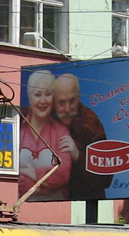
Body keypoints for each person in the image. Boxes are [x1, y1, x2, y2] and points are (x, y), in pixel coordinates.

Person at [52, 72, 112, 200]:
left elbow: (106, 178)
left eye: (72, 101)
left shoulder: (90, 123)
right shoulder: (48, 118)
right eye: (62, 103)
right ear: (54, 102)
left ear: (78, 97)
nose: (67, 108)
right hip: (55, 195)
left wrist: (78, 156)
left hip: (87, 196)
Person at [19, 70, 75, 201]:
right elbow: (15, 178)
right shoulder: (19, 129)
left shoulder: (61, 131)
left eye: (48, 94)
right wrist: (47, 184)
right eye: (38, 95)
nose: (43, 100)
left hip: (57, 201)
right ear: (29, 97)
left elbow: (64, 173)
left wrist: (30, 173)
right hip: (19, 204)